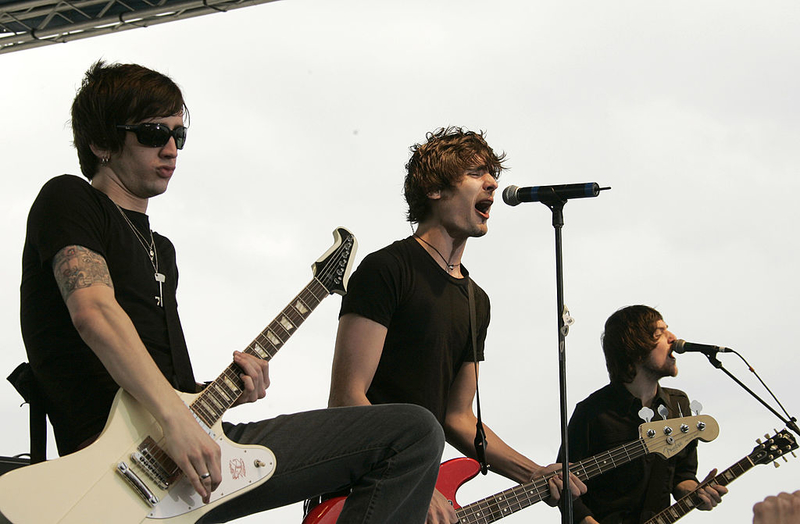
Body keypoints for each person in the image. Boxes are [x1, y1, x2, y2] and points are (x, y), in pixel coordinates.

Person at [18, 60, 444, 523]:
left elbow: (169, 384)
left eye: (179, 135)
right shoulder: (69, 199)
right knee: (413, 432)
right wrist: (177, 421)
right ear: (101, 141)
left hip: (188, 441)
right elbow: (94, 312)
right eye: (153, 132)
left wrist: (217, 395)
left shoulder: (162, 249)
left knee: (412, 432)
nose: (171, 149)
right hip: (115, 466)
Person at [327, 126, 587, 524]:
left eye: (492, 173)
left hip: (420, 495)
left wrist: (532, 473)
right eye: (476, 173)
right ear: (434, 189)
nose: (493, 183)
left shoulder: (475, 301)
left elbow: (458, 417)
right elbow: (347, 399)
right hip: (362, 492)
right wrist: (409, 480)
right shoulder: (386, 270)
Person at [560, 305, 727, 524]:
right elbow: (562, 485)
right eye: (660, 333)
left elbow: (682, 476)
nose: (673, 338)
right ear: (636, 348)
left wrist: (697, 492)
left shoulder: (679, 405)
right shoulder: (592, 412)